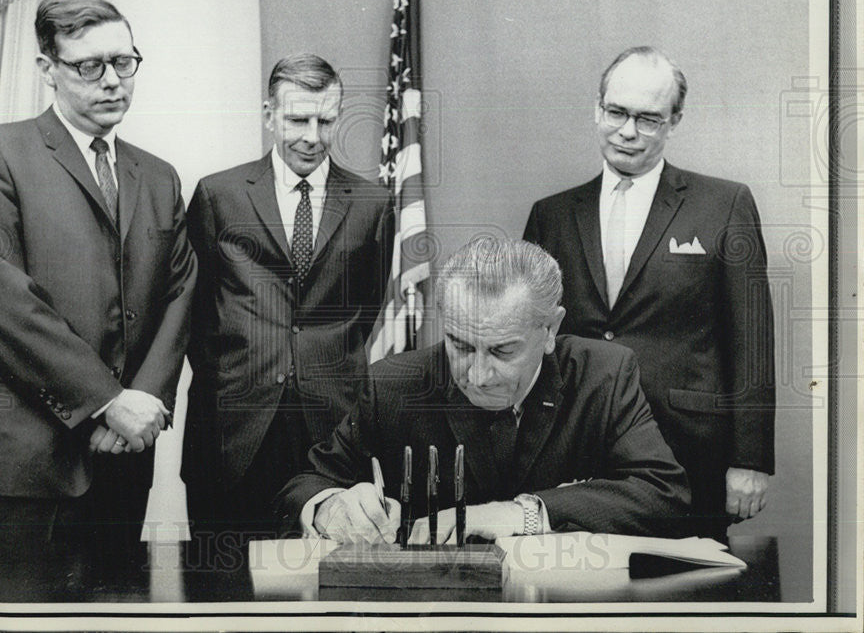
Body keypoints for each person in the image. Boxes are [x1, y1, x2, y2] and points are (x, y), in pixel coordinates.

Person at [0, 0, 197, 599]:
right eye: (89, 66)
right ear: (47, 69)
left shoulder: (157, 175)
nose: (112, 81)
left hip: (123, 459)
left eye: (123, 62)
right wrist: (106, 401)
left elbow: (181, 294)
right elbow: (2, 302)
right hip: (24, 466)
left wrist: (142, 405)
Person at [277, 238, 690, 543]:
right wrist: (329, 509)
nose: (477, 374)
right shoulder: (392, 385)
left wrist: (517, 515)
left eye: (501, 350)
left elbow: (664, 495)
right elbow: (304, 485)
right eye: (459, 345)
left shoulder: (605, 374)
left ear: (551, 330)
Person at [523, 46, 775, 540]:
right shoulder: (550, 215)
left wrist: (751, 459)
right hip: (576, 451)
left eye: (648, 118)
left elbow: (753, 343)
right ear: (597, 109)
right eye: (616, 112)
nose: (627, 131)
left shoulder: (725, 205)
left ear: (674, 120)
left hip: (689, 454)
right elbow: (529, 340)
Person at [181, 54, 393, 554]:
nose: (312, 137)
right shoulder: (219, 194)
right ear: (269, 114)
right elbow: (193, 313)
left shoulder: (371, 203)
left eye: (326, 120)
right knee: (222, 584)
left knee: (328, 583)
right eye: (298, 119)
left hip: (329, 428)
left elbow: (366, 310)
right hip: (232, 427)